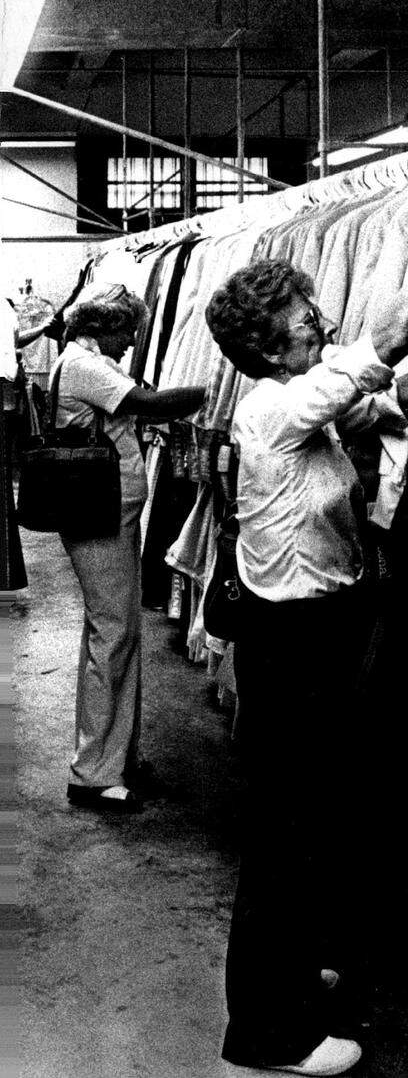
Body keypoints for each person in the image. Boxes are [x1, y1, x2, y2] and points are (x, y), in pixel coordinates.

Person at [205, 253, 408, 1078]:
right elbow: (384, 340)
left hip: (319, 631)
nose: (319, 319)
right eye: (302, 312)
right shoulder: (275, 408)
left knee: (311, 821)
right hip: (293, 643)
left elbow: (399, 390)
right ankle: (267, 1034)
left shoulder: (303, 404)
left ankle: (293, 980)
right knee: (286, 831)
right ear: (265, 343)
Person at [53, 285, 206, 813]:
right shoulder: (83, 366)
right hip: (98, 514)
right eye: (128, 332)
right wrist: (215, 387)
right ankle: (93, 775)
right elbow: (149, 404)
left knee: (119, 631)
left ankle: (116, 757)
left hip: (109, 513)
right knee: (113, 633)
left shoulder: (89, 362)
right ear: (103, 327)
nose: (132, 342)